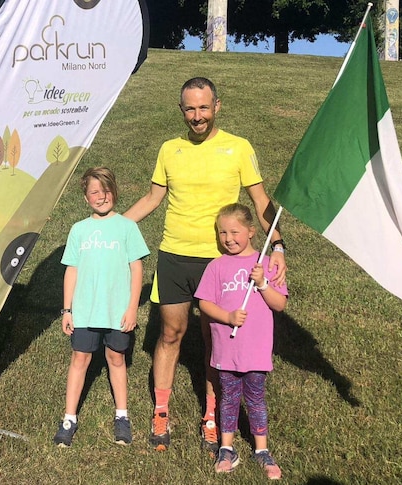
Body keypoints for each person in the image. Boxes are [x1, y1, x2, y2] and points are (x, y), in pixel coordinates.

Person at [123, 77, 286, 454]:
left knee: (215, 339)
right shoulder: (169, 149)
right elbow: (152, 198)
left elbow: (261, 201)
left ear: (217, 106)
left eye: (203, 107)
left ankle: (212, 415)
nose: (197, 116)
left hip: (220, 261)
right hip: (175, 255)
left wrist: (277, 243)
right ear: (181, 110)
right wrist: (115, 228)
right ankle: (161, 412)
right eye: (190, 109)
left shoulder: (238, 148)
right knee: (170, 334)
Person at [52, 167, 150, 447]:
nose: (101, 196)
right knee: (80, 360)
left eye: (106, 190)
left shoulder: (127, 227)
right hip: (84, 311)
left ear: (114, 192)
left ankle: (122, 416)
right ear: (85, 198)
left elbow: (136, 269)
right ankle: (69, 418)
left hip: (117, 311)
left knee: (116, 359)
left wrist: (132, 308)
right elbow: (71, 270)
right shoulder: (79, 230)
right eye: (94, 191)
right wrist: (67, 310)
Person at [194, 204, 286, 478]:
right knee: (229, 398)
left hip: (255, 350)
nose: (228, 238)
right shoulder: (216, 266)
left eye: (235, 231)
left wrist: (263, 284)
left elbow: (279, 304)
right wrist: (228, 316)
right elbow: (204, 303)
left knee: (256, 399)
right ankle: (227, 448)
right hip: (226, 348)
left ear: (252, 232)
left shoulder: (267, 264)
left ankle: (261, 450)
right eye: (222, 232)